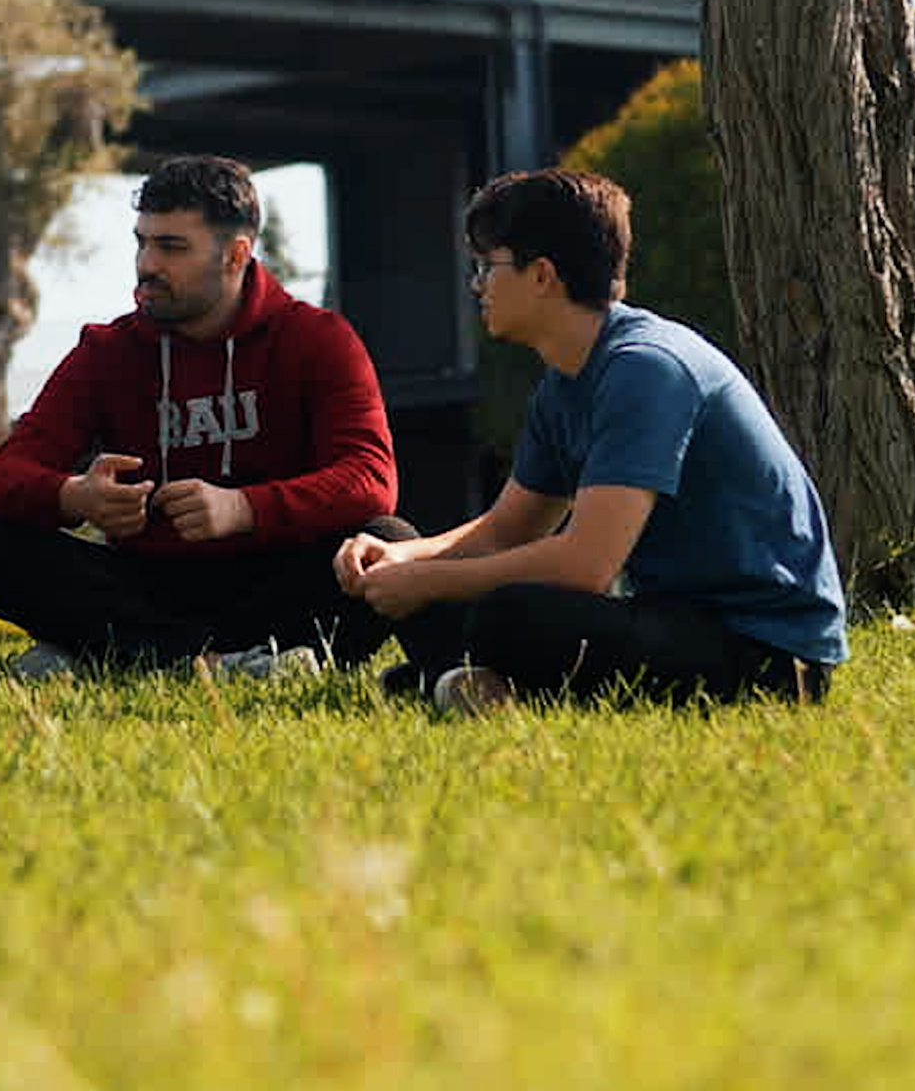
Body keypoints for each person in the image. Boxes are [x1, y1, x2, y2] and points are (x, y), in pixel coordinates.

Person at [337, 168, 845, 713]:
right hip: (668, 619)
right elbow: (507, 530)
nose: (477, 284)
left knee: (508, 615)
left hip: (763, 650)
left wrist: (429, 583)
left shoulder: (646, 369)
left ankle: (463, 678)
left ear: (542, 275)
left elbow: (587, 566)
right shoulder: (563, 383)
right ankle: (468, 681)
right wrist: (402, 557)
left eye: (488, 265)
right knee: (384, 533)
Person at [0, 154, 402, 673]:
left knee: (390, 542)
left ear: (236, 254)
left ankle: (121, 655)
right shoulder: (107, 350)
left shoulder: (317, 339)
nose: (147, 264)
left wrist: (243, 508)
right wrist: (74, 495)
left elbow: (370, 479)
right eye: (142, 242)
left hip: (275, 578)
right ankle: (209, 660)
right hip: (145, 583)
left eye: (171, 247)